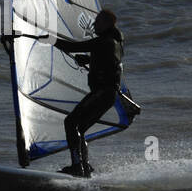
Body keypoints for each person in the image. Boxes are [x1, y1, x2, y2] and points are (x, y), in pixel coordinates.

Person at [53, 9, 133, 177]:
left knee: (70, 123)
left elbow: (72, 46)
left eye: (97, 22)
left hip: (103, 93)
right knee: (79, 128)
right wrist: (89, 60)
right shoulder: (115, 43)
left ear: (106, 24)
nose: (94, 24)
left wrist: (49, 38)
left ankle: (78, 166)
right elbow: (108, 58)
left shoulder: (104, 42)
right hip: (107, 95)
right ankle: (84, 166)